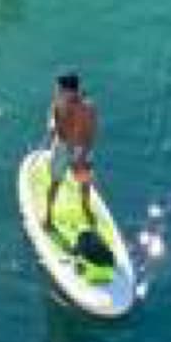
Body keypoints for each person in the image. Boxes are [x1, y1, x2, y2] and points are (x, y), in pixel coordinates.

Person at [45, 71, 100, 230]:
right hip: (62, 147)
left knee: (84, 183)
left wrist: (82, 155)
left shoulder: (88, 108)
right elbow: (53, 116)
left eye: (59, 89)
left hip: (81, 149)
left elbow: (91, 133)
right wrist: (53, 126)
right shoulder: (59, 102)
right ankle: (48, 215)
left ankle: (86, 208)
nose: (57, 92)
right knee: (55, 182)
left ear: (70, 90)